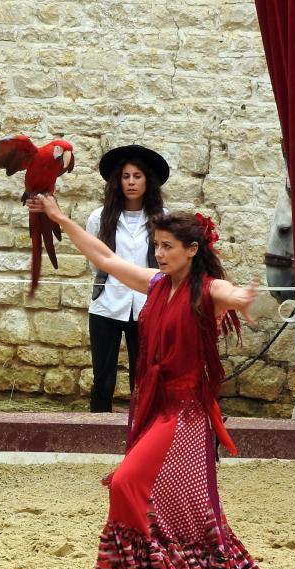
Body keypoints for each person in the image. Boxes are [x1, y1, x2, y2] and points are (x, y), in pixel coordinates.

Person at [28, 193, 263, 569]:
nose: (160, 253)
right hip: (157, 408)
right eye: (157, 246)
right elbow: (104, 256)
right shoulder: (155, 284)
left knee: (127, 484)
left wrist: (242, 298)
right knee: (163, 497)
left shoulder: (206, 291)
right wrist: (60, 218)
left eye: (168, 247)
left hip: (187, 416)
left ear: (193, 250)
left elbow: (226, 292)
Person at [86, 145, 169, 413]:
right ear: (117, 181)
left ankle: (141, 433)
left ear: (148, 181)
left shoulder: (162, 218)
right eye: (125, 176)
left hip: (148, 306)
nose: (131, 182)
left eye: (137, 176)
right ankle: (97, 433)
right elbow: (94, 259)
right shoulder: (99, 217)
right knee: (103, 379)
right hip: (106, 305)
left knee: (143, 378)